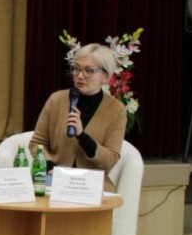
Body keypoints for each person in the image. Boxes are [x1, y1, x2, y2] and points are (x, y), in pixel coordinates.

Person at [30, 43, 126, 191]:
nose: (80, 76)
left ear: (105, 76)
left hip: (92, 187)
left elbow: (110, 161)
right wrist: (50, 168)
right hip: (54, 182)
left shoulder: (116, 110)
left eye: (89, 70)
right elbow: (37, 144)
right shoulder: (56, 100)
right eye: (76, 69)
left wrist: (82, 135)